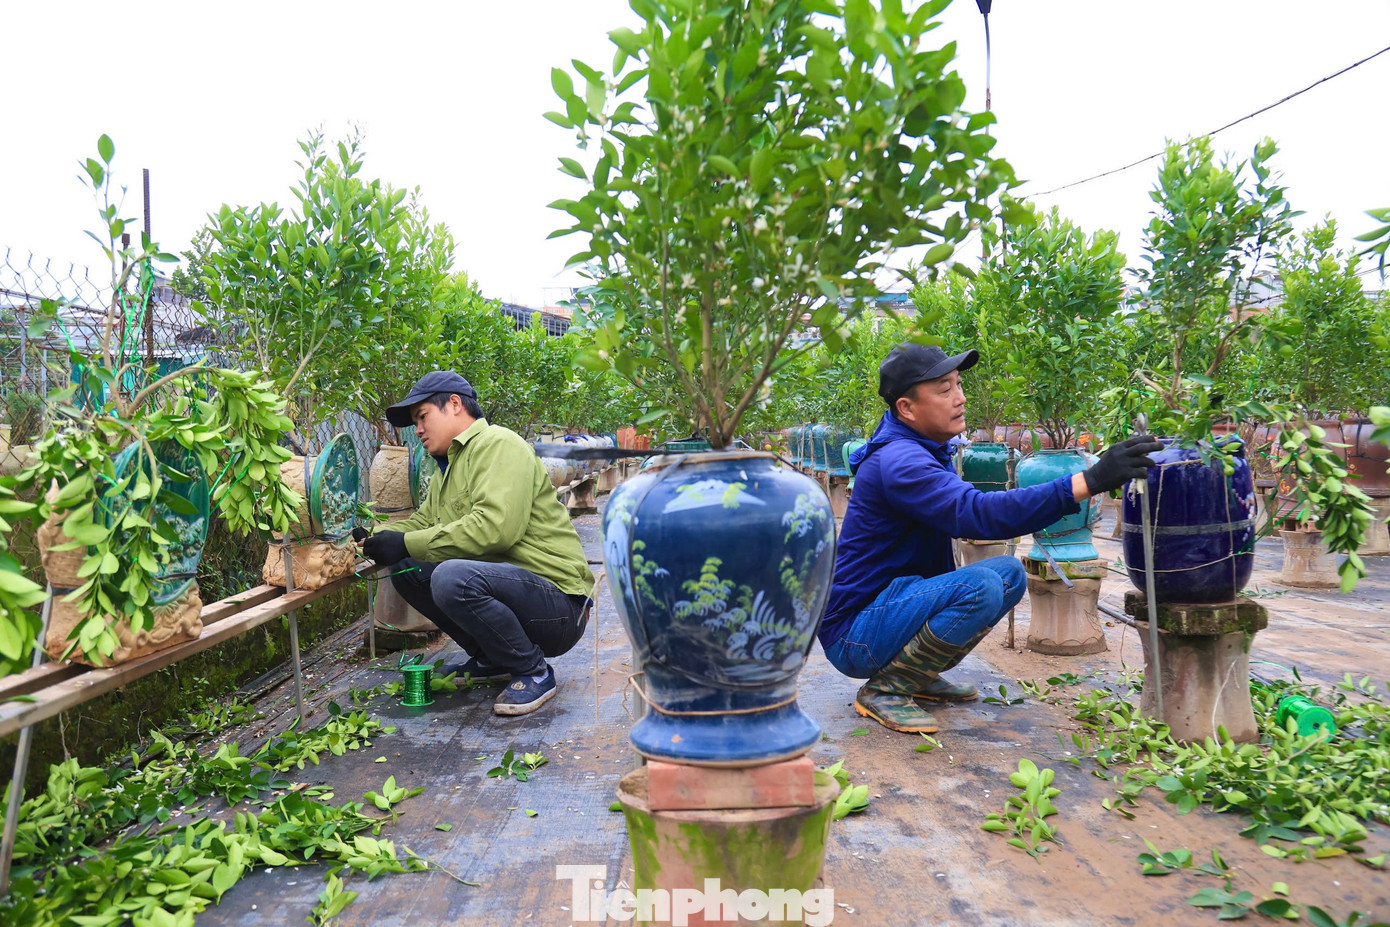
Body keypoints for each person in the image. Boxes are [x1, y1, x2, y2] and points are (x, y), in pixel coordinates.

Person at [819, 343, 1162, 733]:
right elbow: (977, 515)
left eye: (959, 384)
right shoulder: (900, 460)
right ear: (907, 408)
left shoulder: (921, 449)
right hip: (855, 633)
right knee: (981, 584)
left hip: (891, 609)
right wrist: (1090, 480)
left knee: (1007, 574)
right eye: (944, 389)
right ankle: (886, 689)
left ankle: (916, 673)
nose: (961, 398)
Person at [359, 371, 596, 716]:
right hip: (517, 593)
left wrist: (407, 542)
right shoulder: (447, 468)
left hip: (561, 605)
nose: (418, 430)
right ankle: (492, 658)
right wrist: (374, 537)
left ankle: (534, 671)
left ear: (454, 404)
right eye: (415, 423)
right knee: (408, 569)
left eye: (422, 417)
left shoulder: (499, 444)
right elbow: (422, 525)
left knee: (451, 577)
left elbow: (495, 530)